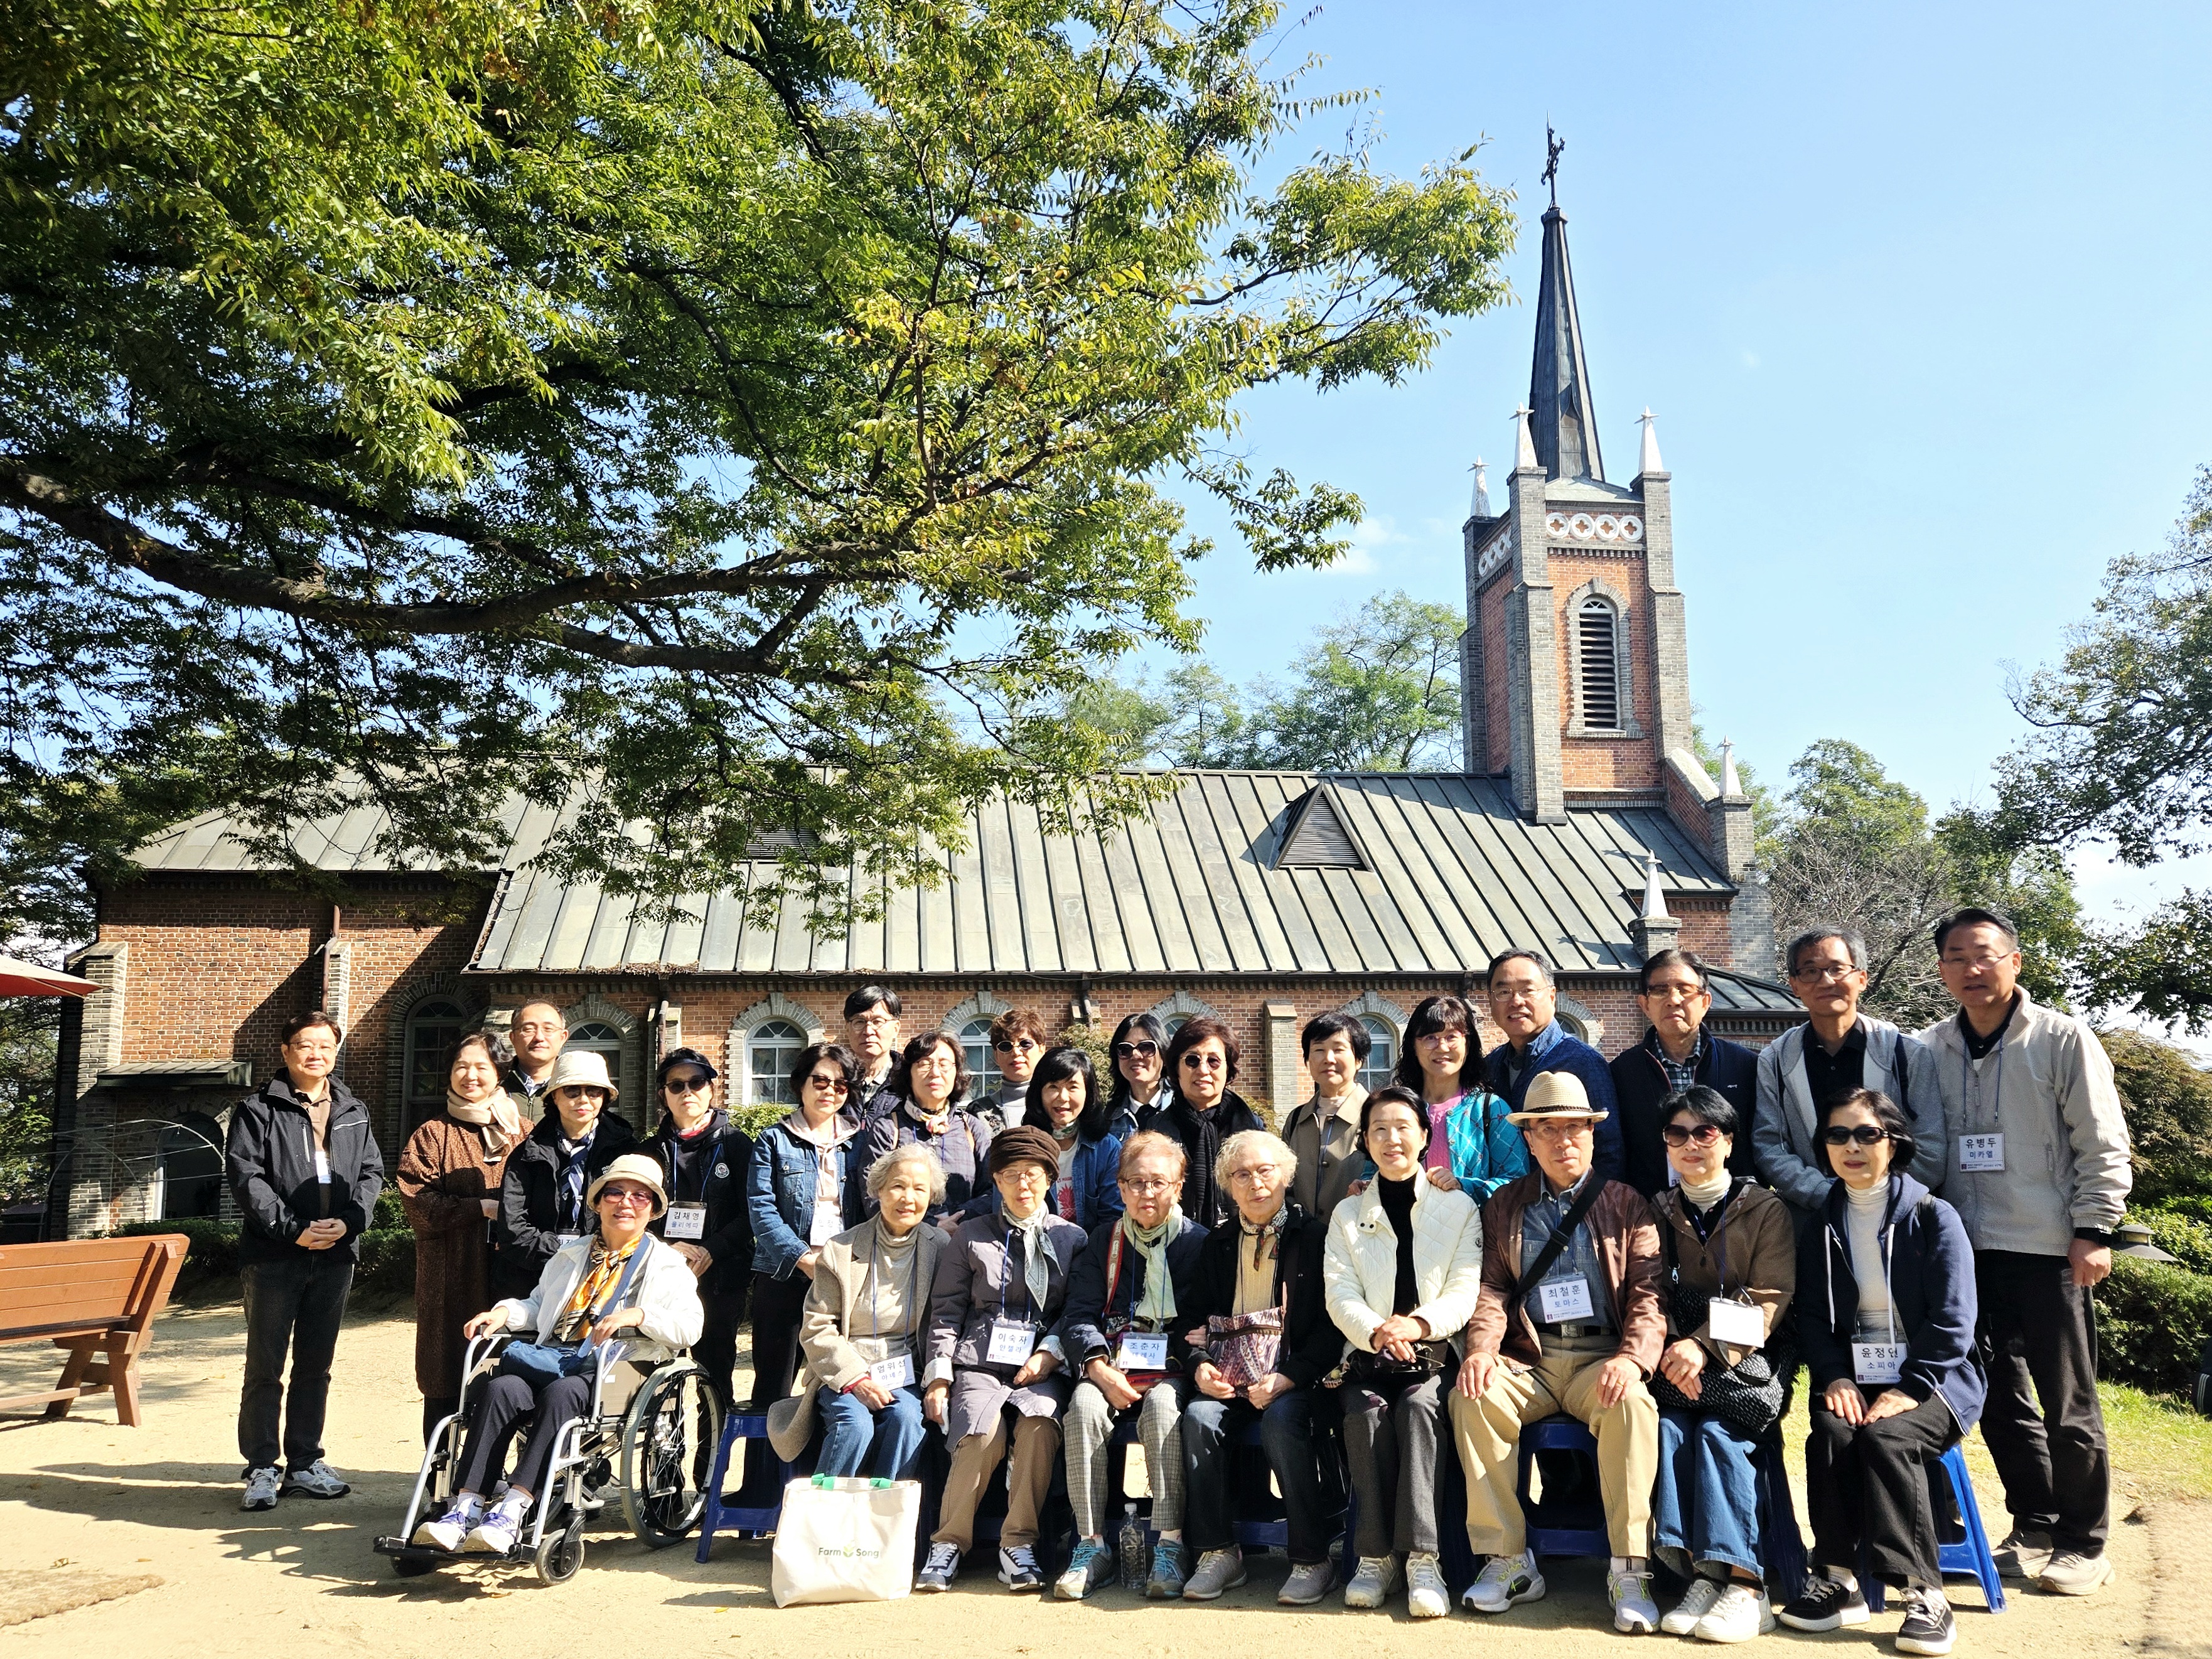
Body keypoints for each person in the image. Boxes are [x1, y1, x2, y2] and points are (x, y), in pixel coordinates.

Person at [1916, 908, 2131, 1597]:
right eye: (1956, 957)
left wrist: (2094, 1230)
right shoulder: (1929, 1047)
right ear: (1941, 970)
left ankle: (2083, 1542)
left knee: (2068, 1403)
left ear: (2015, 960)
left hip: (2048, 1248)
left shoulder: (2061, 1038)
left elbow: (2101, 1141)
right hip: (1966, 1251)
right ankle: (2033, 1524)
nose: (1971, 969)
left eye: (1984, 954)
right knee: (1999, 1400)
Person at [1451, 1068, 1665, 1633]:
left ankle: (1629, 1567)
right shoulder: (1506, 1204)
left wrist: (1632, 1359)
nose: (1563, 1140)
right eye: (1548, 1129)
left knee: (1632, 1405)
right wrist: (1481, 1349)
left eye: (1574, 1127)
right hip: (1533, 1357)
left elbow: (1648, 1294)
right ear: (1528, 1138)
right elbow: (1492, 1288)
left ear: (1593, 1133)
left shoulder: (1625, 1203)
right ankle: (1508, 1559)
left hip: (1603, 1356)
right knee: (1473, 1394)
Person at [409, 1154, 704, 1554]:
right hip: (554, 1357)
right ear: (597, 1203)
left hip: (617, 1366)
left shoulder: (668, 1265)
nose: (626, 1203)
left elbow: (690, 1326)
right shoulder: (571, 1255)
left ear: (653, 1210)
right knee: (502, 1389)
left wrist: (641, 1315)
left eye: (640, 1196)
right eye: (615, 1193)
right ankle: (465, 1508)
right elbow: (538, 1306)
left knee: (561, 1394)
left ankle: (513, 1510)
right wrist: (503, 1313)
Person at [1780, 1089, 1983, 1657]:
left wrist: (1911, 1387)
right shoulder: (1821, 1224)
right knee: (1832, 1430)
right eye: (1838, 1135)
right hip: (1856, 1376)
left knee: (1887, 1438)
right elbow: (1812, 1317)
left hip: (1937, 1380)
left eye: (1866, 1133)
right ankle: (1838, 1577)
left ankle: (1925, 1593)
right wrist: (1833, 1375)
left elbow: (1954, 1319)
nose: (1852, 1146)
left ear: (1893, 1143)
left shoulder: (1933, 1216)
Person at [1323, 1085, 1483, 1618]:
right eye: (1379, 1129)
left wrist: (1416, 1324)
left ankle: (1422, 1558)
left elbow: (1464, 1289)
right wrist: (1378, 1331)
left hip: (1434, 1352)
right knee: (1364, 1411)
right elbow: (1339, 1292)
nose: (1392, 1138)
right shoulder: (1348, 1212)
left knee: (1418, 1407)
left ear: (1423, 1135)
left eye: (1402, 1127)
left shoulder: (1458, 1206)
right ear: (1366, 1141)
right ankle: (1375, 1558)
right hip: (1369, 1353)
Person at [1645, 1086, 1796, 1643]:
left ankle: (1748, 1585)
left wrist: (1702, 1347)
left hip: (1749, 1361)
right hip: (1677, 1360)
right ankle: (1703, 1574)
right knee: (1667, 1427)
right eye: (1677, 1133)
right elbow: (1649, 1289)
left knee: (1717, 1432)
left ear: (1728, 1141)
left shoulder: (1765, 1208)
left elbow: (1770, 1296)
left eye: (1705, 1132)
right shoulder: (1659, 1209)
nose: (1692, 1144)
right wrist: (1673, 1348)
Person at [1179, 1129, 1350, 1608]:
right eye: (1241, 1174)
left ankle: (1312, 1557)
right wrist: (1199, 1366)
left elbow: (1331, 1329)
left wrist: (1287, 1376)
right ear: (1228, 1185)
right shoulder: (1217, 1243)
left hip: (1297, 1380)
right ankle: (1218, 1552)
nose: (1255, 1183)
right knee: (1199, 1417)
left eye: (1265, 1170)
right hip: (1230, 1382)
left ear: (1286, 1175)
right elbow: (1190, 1321)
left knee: (1282, 1419)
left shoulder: (1315, 1237)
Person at [917, 1125, 1090, 1593]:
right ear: (995, 1180)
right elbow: (946, 1311)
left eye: (1033, 1174)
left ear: (1050, 1178)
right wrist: (939, 1376)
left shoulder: (1072, 1238)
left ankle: (1019, 1544)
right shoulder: (971, 1236)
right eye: (1011, 1174)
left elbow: (1077, 1311)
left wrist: (1050, 1353)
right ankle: (948, 1542)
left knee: (1039, 1427)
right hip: (978, 1361)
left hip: (1042, 1365)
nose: (1022, 1184)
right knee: (980, 1431)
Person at [230, 1011, 384, 1511]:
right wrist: (292, 1228)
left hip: (336, 1254)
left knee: (316, 1365)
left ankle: (304, 1462)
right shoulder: (257, 1108)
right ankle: (260, 1466)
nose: (316, 1053)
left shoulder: (353, 1108)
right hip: (275, 1255)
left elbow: (371, 1172)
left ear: (335, 1052)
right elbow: (247, 1177)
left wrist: (350, 1222)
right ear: (286, 1051)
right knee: (266, 1366)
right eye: (305, 1044)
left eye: (325, 1045)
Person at [1053, 1132, 1208, 1600]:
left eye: (1159, 1182)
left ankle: (1170, 1543)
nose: (1147, 1193)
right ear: (1120, 1187)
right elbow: (1078, 1314)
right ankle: (1091, 1544)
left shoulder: (1199, 1244)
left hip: (1172, 1367)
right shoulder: (1104, 1240)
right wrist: (1099, 1368)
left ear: (1178, 1186)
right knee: (1083, 1406)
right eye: (1136, 1182)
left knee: (1163, 1409)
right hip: (1111, 1363)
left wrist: (1178, 1354)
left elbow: (1201, 1324)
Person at [765, 1143, 948, 1482]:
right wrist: (856, 1379)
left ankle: (886, 1508)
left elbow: (946, 1321)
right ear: (879, 1190)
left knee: (907, 1420)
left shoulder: (940, 1249)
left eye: (920, 1189)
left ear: (932, 1196)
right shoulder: (841, 1249)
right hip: (845, 1368)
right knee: (854, 1424)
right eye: (898, 1186)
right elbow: (817, 1326)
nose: (908, 1198)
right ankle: (826, 1510)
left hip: (905, 1373)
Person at [1754, 927, 1945, 1227]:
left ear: (1862, 978)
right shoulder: (1776, 1060)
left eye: (1837, 969)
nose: (1826, 981)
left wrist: (1876, 1196)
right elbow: (1771, 1147)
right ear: (1794, 985)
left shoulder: (1905, 1054)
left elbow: (1931, 1147)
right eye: (1810, 971)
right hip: (1813, 1224)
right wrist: (1825, 1195)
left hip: (1898, 1222)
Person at [397, 1029, 530, 1441]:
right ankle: (441, 1472)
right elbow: (417, 1200)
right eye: (461, 1066)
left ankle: (506, 1471)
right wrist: (480, 1208)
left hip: (512, 1272)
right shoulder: (433, 1134)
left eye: (481, 1067)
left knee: (512, 1374)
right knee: (447, 1372)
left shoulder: (525, 1132)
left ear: (500, 1073)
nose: (470, 1076)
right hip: (450, 1272)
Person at [744, 1041, 868, 1409]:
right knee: (774, 1384)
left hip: (846, 1274)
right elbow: (761, 1209)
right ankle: (765, 1450)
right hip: (784, 1273)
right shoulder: (773, 1140)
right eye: (821, 1081)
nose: (830, 1091)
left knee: (841, 1379)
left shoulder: (861, 1141)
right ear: (801, 1083)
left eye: (841, 1085)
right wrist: (802, 1258)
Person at [641, 1046, 753, 1408]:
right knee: (658, 1383)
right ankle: (664, 1446)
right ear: (664, 1095)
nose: (687, 1092)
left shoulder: (737, 1145)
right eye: (676, 1085)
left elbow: (753, 1213)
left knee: (715, 1380)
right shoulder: (649, 1151)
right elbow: (633, 1214)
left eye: (697, 1082)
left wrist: (711, 1249)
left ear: (711, 1089)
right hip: (662, 1276)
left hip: (719, 1277)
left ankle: (714, 1446)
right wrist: (666, 1247)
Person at [1611, 950, 1761, 1198]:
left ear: (1705, 1001)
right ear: (1645, 1005)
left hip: (1734, 1207)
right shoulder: (1621, 1073)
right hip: (1652, 1210)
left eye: (1685, 989)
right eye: (1660, 991)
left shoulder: (1744, 1066)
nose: (1674, 999)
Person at [497, 1048, 639, 1298]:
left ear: (605, 1097)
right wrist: (565, 1254)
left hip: (607, 1275)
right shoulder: (527, 1154)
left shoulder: (626, 1152)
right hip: (535, 1277)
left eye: (593, 1091)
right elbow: (512, 1227)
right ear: (554, 1096)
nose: (584, 1100)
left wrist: (596, 1254)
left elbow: (639, 1215)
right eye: (572, 1090)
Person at [1483, 950, 1626, 1186]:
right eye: (1504, 992)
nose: (1516, 1001)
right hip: (1506, 1204)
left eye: (1527, 990)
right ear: (1490, 1001)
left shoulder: (1582, 1061)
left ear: (1552, 997)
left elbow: (1608, 1151)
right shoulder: (1491, 1066)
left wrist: (1588, 1205)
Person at [1400, 993, 1527, 1200]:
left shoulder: (1491, 1109)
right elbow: (1375, 1171)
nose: (1442, 1047)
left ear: (1468, 1044)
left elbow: (1518, 1182)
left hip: (1475, 1222)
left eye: (1452, 1037)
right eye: (1430, 1038)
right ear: (1414, 1046)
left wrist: (1464, 1186)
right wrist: (1365, 1185)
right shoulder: (1399, 1109)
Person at [855, 1031, 992, 1220]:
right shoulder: (888, 1128)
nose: (935, 1073)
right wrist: (930, 1226)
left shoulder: (971, 1128)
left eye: (944, 1064)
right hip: (904, 1237)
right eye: (925, 1064)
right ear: (909, 1073)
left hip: (963, 1234)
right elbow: (872, 1194)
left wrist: (959, 1221)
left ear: (957, 1073)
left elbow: (991, 1191)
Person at [1144, 1016, 1264, 1228]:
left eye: (1213, 1061)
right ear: (1176, 1069)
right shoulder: (1156, 1132)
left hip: (1242, 1239)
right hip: (1177, 1240)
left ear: (1228, 1069)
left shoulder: (1252, 1128)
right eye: (1192, 1060)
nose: (1203, 1070)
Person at [1281, 1010, 1372, 1221]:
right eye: (1319, 1050)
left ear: (1359, 1059)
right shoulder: (1296, 1119)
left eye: (1338, 1049)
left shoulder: (1376, 1116)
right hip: (1302, 1236)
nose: (1328, 1059)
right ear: (1308, 1060)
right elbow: (1283, 1183)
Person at [976, 1007, 1050, 1129]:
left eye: (1025, 1044)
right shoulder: (978, 1112)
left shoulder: (1059, 1106)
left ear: (1042, 1050)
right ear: (996, 1055)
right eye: (1005, 1046)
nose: (1016, 1052)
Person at [1105, 1011, 1172, 1138]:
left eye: (1146, 1047)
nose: (1135, 1055)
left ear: (1164, 1055)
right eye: (1125, 1049)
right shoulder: (1107, 1120)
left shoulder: (1184, 1111)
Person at [844, 985, 905, 1120]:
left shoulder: (910, 1080)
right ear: (847, 1028)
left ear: (896, 1029)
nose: (868, 1031)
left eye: (878, 1022)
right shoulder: (834, 1080)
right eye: (860, 1022)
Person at [503, 1001, 567, 1110]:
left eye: (548, 1029)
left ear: (563, 1038)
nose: (539, 1037)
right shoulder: (493, 1083)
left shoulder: (575, 1088)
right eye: (529, 1029)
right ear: (513, 1038)